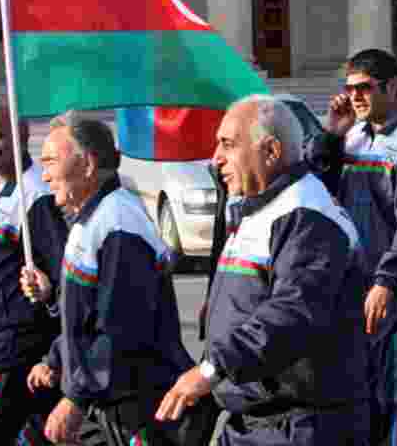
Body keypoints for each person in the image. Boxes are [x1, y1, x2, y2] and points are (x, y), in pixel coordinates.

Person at [158, 95, 369, 445]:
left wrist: (212, 370)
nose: (216, 159)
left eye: (228, 144)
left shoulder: (306, 214)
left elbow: (293, 310)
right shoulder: (260, 208)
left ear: (270, 152)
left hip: (301, 426)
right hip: (255, 421)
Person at [23, 112, 200, 446]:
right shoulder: (90, 219)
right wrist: (56, 358)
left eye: (50, 162)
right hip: (109, 401)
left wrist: (75, 397)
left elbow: (121, 327)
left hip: (135, 405)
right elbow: (85, 317)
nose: (44, 175)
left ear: (88, 164)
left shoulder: (118, 221)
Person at [309, 49, 397, 446]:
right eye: (350, 88)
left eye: (364, 87)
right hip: (357, 286)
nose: (354, 96)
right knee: (364, 397)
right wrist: (331, 136)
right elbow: (318, 189)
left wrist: (388, 279)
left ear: (393, 86)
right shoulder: (354, 135)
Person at [0, 105, 66, 445]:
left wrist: (47, 291)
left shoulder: (35, 198)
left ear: (21, 139)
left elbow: (62, 273)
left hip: (14, 345)